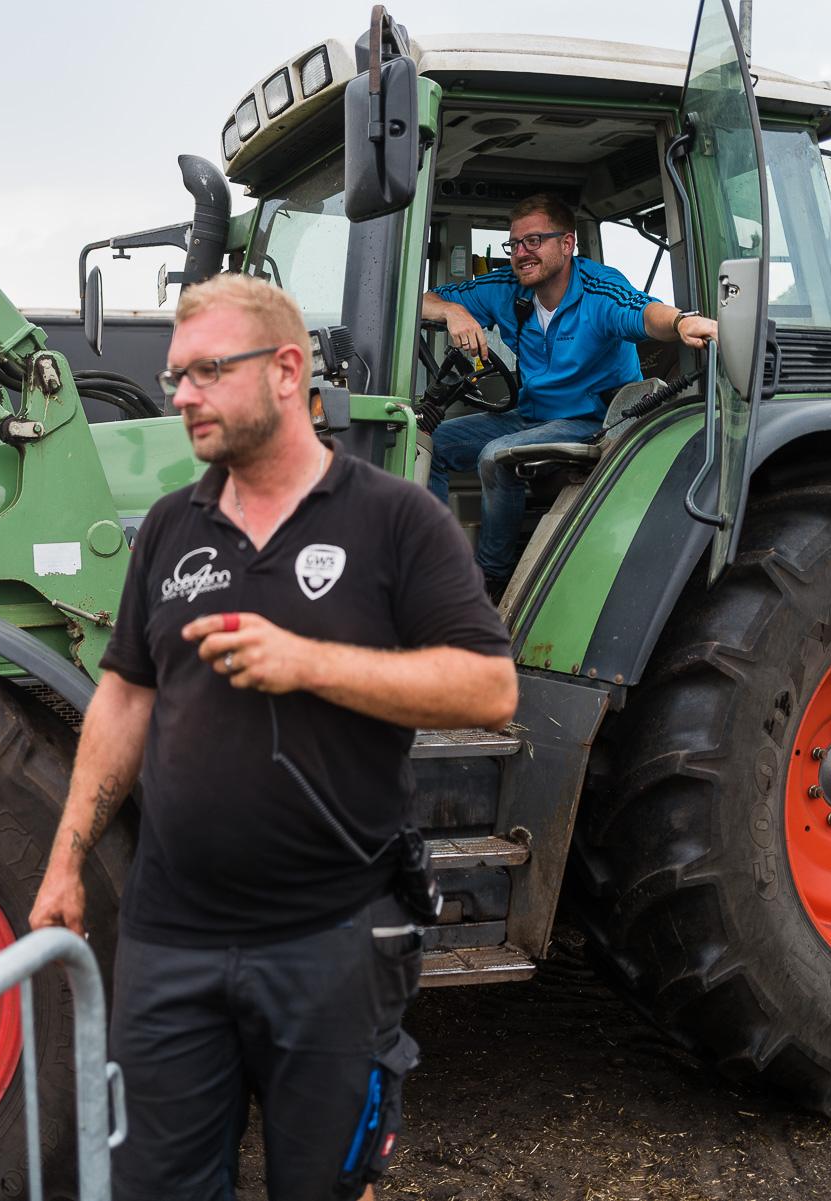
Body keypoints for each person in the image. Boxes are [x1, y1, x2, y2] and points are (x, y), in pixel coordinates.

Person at [28, 273, 519, 1201]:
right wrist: (65, 857)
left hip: (332, 936)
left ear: (288, 371)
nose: (181, 395)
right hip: (172, 936)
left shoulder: (396, 519)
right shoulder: (173, 526)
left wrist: (309, 662)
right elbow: (126, 695)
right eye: (177, 376)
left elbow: (490, 687)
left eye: (207, 371)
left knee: (324, 1187)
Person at [421, 194, 719, 599]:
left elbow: (644, 311)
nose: (522, 253)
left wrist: (683, 321)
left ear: (567, 243)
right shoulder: (505, 288)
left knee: (496, 455)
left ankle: (489, 580)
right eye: (515, 244)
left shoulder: (598, 288)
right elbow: (422, 301)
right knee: (427, 444)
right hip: (532, 416)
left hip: (595, 422)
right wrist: (454, 313)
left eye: (535, 241)